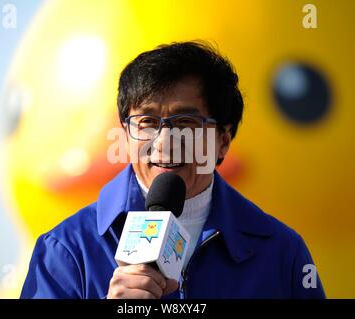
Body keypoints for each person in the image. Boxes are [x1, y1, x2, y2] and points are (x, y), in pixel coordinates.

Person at [20, 41, 325, 299]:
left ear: (223, 140)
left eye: (186, 123)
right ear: (125, 134)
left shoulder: (281, 253)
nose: (164, 143)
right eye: (147, 122)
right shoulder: (66, 250)